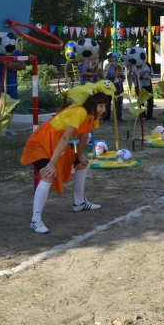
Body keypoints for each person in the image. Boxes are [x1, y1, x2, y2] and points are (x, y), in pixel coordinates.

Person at [20, 81, 114, 234]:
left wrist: (80, 156)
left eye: (105, 106)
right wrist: (51, 164)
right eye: (101, 106)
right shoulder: (80, 112)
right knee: (48, 174)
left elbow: (84, 135)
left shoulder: (93, 117)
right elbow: (65, 138)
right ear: (92, 104)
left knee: (81, 165)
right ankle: (35, 220)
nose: (103, 110)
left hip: (56, 142)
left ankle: (79, 202)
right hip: (41, 141)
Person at [0, 44, 26, 136]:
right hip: (1, 83)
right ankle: (1, 128)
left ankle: (7, 128)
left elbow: (23, 66)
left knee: (12, 107)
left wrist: (13, 65)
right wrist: (17, 65)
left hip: (13, 83)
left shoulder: (17, 51)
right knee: (1, 106)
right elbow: (8, 65)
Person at [103, 53, 124, 122]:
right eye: (109, 58)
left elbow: (122, 75)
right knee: (107, 102)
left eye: (111, 58)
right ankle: (106, 118)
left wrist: (121, 79)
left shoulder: (118, 65)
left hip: (118, 85)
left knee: (118, 102)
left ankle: (118, 117)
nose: (110, 59)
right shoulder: (107, 65)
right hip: (109, 85)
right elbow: (105, 75)